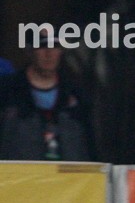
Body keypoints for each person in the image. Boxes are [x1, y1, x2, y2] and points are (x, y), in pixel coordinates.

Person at [0, 31, 94, 161]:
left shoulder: (76, 93)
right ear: (29, 51)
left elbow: (90, 142)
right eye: (42, 46)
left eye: (54, 46)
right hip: (19, 177)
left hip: (69, 178)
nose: (49, 53)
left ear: (61, 51)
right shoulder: (7, 90)